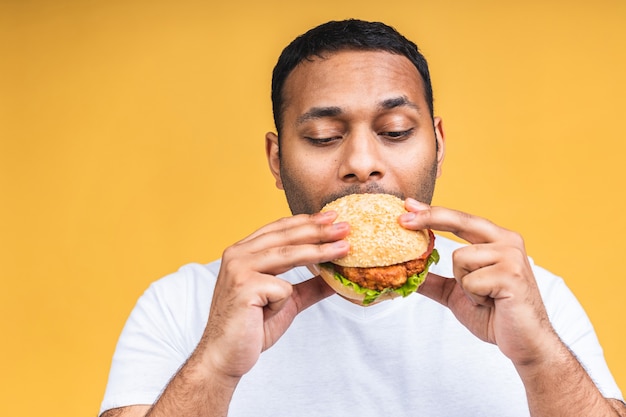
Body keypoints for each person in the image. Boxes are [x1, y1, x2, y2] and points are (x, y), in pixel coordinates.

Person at [99, 19, 625, 417]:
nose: (362, 164)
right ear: (276, 160)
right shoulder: (181, 305)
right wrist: (213, 367)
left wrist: (541, 361)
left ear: (437, 145)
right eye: (324, 137)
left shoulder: (536, 299)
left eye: (395, 130)